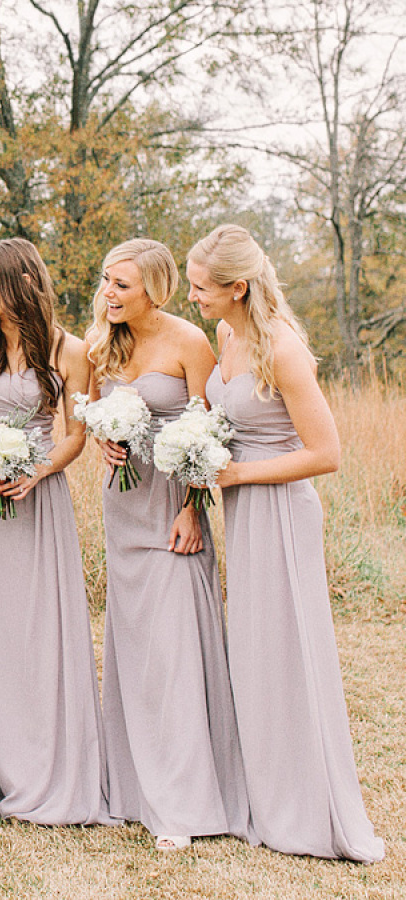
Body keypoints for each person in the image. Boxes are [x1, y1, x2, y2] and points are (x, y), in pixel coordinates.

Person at [193, 224, 384, 862]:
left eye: (202, 288)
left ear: (237, 287)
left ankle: (307, 805)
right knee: (253, 651)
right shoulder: (225, 336)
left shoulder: (283, 349)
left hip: (280, 510)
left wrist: (240, 472)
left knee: (288, 648)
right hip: (243, 511)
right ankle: (264, 791)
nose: (194, 298)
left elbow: (327, 453)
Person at [87, 238, 250, 851]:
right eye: (107, 281)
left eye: (122, 285)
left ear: (155, 289)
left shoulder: (189, 341)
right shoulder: (104, 341)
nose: (109, 293)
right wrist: (101, 439)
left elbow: (214, 432)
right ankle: (133, 790)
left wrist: (194, 507)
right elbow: (91, 415)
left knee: (175, 652)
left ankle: (183, 801)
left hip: (171, 510)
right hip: (122, 505)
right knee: (133, 648)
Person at [0, 238, 108, 826]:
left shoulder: (70, 350)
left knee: (40, 632)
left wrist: (35, 472)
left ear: (20, 283)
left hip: (40, 502)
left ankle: (48, 767)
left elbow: (74, 434)